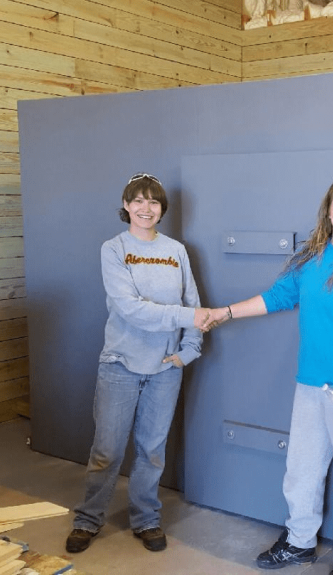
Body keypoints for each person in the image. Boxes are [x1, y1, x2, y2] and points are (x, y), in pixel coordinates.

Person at [207, 176, 333, 575]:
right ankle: (299, 543)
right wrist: (224, 313)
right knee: (301, 470)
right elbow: (276, 297)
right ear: (328, 210)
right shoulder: (311, 259)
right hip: (311, 384)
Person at [66, 172, 212, 554]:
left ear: (162, 208)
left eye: (154, 202)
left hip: (165, 368)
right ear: (127, 206)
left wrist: (189, 350)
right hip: (120, 364)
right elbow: (132, 310)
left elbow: (193, 303)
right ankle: (88, 519)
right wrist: (188, 319)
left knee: (151, 451)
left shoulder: (176, 250)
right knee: (107, 451)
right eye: (139, 200)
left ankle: (146, 519)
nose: (146, 208)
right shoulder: (113, 249)